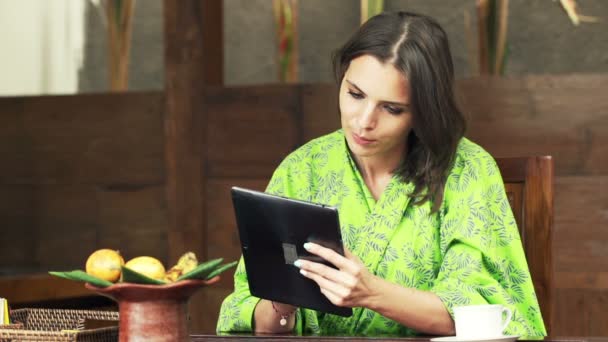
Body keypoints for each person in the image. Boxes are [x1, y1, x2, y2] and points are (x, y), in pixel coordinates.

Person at [217, 11, 546, 337]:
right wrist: (282, 304)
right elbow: (255, 316)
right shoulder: (303, 169)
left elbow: (480, 314)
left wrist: (371, 292)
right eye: (355, 94)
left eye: (392, 108)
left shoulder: (466, 170)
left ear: (424, 110)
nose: (363, 121)